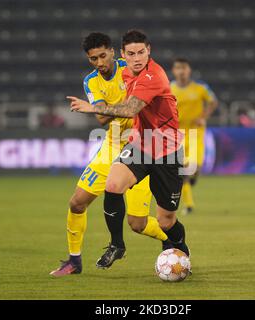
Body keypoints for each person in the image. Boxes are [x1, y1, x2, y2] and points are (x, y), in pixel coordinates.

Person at [50, 32, 171, 277]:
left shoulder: (133, 68)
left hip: (140, 149)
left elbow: (133, 105)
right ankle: (74, 261)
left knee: (137, 223)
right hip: (112, 147)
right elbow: (102, 118)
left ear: (114, 52)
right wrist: (121, 107)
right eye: (93, 59)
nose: (99, 63)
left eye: (102, 56)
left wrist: (115, 106)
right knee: (77, 202)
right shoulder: (91, 81)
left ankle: (171, 241)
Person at [171, 58, 218, 215]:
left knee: (194, 168)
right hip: (177, 135)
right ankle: (189, 205)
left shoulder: (200, 88)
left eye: (184, 68)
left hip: (196, 134)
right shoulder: (169, 89)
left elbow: (213, 102)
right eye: (178, 68)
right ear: (174, 71)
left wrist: (204, 116)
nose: (181, 71)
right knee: (184, 169)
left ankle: (194, 177)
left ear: (189, 70)